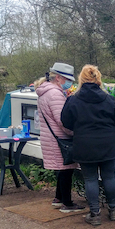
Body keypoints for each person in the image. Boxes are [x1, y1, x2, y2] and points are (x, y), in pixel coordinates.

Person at [61, 65, 115, 226]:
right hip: (109, 143)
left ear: (81, 79)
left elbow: (66, 122)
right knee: (109, 177)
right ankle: (113, 210)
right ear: (98, 78)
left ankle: (95, 214)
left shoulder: (73, 99)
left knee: (90, 179)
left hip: (85, 144)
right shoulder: (108, 98)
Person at [34, 63, 85, 213]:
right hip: (59, 138)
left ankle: (58, 198)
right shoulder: (55, 94)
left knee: (62, 169)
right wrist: (75, 132)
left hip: (50, 137)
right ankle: (67, 204)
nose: (70, 83)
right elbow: (63, 120)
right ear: (58, 78)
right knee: (66, 170)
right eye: (67, 79)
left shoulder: (45, 92)